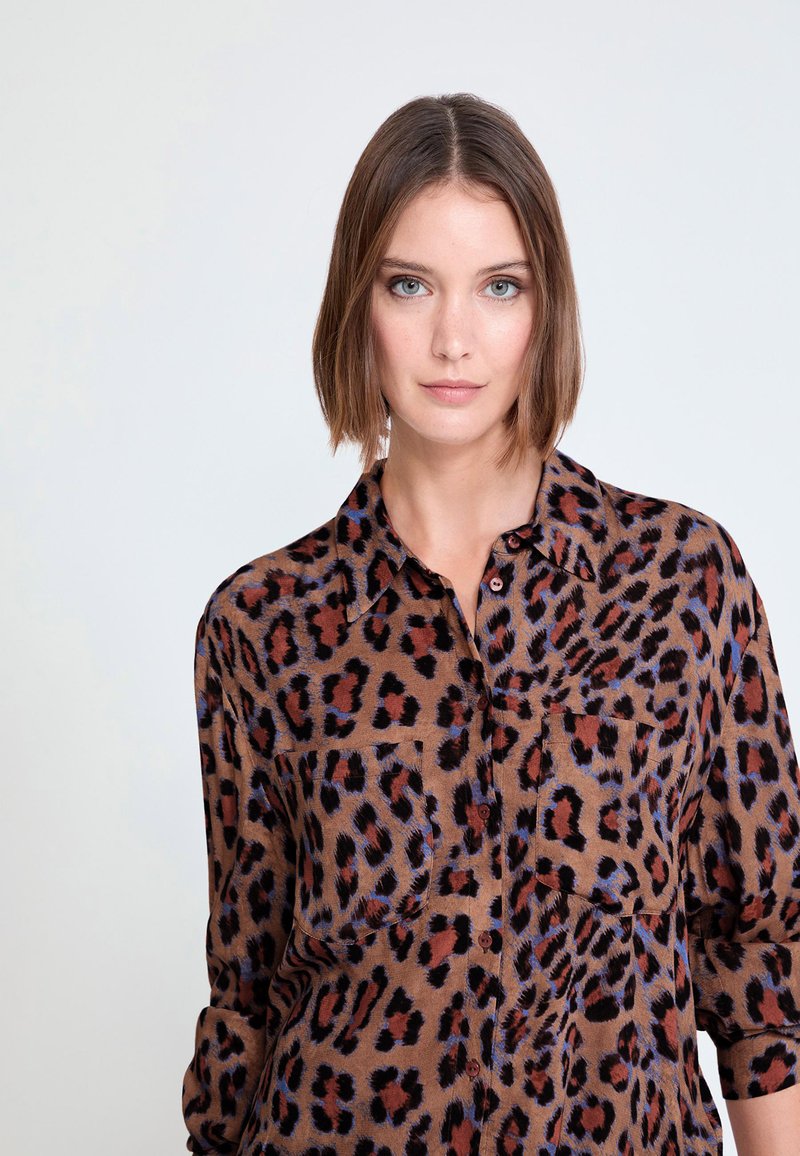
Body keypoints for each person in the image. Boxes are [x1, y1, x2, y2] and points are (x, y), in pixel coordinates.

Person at [181, 93, 800, 1155]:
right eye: (409, 285)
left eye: (498, 286)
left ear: (544, 308)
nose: (452, 338)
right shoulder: (262, 625)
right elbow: (247, 999)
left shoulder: (682, 582)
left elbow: (761, 972)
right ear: (357, 304)